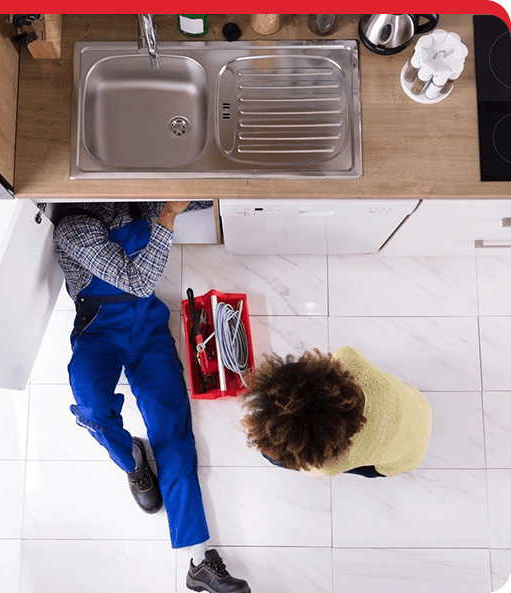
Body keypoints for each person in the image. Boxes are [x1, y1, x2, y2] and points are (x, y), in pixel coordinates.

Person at [53, 201, 251, 593]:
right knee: (92, 408)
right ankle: (133, 462)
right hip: (99, 333)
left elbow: (195, 198)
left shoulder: (137, 201)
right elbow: (139, 281)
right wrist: (166, 217)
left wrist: (199, 191)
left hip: (148, 330)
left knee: (173, 433)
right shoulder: (74, 226)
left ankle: (198, 560)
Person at [241, 347, 432, 477]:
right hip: (417, 404)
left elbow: (309, 466)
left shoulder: (331, 465)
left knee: (274, 458)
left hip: (404, 459)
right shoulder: (347, 358)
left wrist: (271, 448)